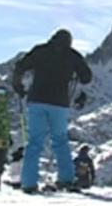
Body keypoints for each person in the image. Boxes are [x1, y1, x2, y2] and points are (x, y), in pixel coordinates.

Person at [11, 29, 93, 194]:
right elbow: (87, 77)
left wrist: (18, 86)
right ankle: (66, 180)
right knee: (60, 141)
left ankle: (28, 183)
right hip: (59, 104)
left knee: (34, 143)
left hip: (37, 101)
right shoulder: (72, 55)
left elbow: (20, 67)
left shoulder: (41, 51)